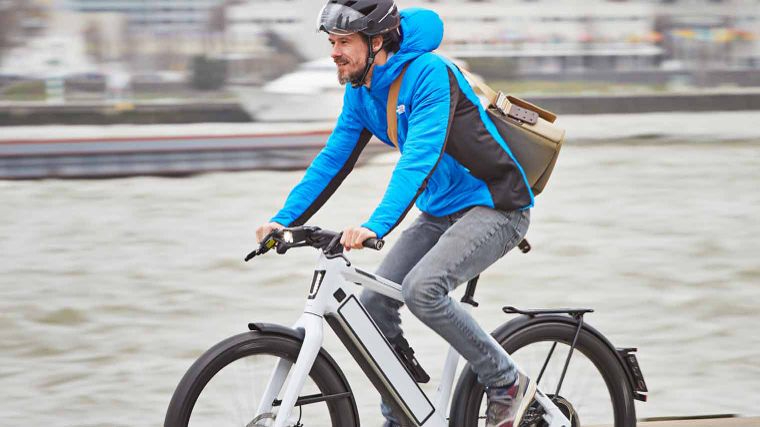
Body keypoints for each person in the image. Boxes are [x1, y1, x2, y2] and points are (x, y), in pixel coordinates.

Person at [256, 1, 537, 425]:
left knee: (422, 289)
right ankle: (402, 412)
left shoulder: (430, 74)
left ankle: (506, 383)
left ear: (376, 41)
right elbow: (333, 160)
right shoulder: (361, 91)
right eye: (332, 42)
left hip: (496, 205)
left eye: (344, 42)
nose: (334, 53)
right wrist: (284, 220)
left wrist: (375, 225)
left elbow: (418, 158)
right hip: (440, 211)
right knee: (372, 306)